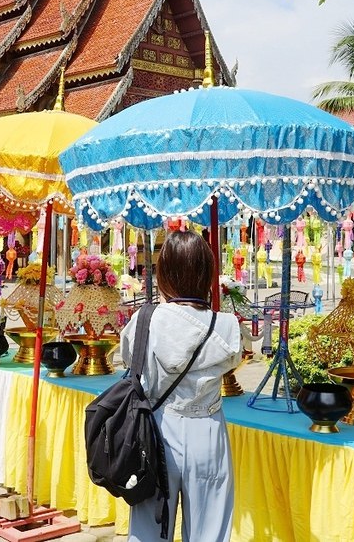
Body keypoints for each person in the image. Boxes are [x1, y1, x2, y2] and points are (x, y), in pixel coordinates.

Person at [120, 230, 242, 542]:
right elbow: (232, 362)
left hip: (157, 429)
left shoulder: (144, 320)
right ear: (206, 272)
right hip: (208, 429)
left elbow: (128, 360)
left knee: (149, 529)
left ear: (163, 273)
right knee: (210, 531)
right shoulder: (226, 326)